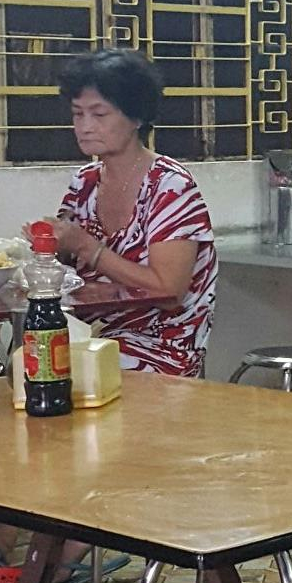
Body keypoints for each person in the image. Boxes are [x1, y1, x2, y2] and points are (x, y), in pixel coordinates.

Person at [52, 49, 217, 377]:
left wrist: (87, 247)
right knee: (31, 358)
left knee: (64, 372)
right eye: (77, 114)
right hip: (93, 334)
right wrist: (49, 246)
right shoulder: (84, 182)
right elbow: (65, 266)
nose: (85, 126)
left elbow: (169, 290)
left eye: (99, 114)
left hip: (160, 343)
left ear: (137, 118)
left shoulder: (170, 186)